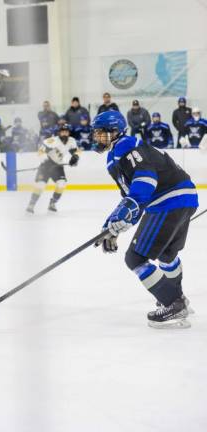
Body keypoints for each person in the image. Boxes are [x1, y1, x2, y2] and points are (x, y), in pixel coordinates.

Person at [91, 110, 198, 328]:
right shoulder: (121, 151)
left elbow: (144, 182)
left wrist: (121, 217)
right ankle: (177, 298)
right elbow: (131, 201)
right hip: (184, 198)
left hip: (167, 201)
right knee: (167, 255)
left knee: (135, 258)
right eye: (96, 134)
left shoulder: (126, 147)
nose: (98, 138)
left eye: (102, 134)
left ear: (116, 132)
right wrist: (111, 227)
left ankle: (174, 304)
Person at [26, 124, 79, 213]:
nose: (65, 134)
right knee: (40, 185)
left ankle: (52, 203)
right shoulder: (52, 141)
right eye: (63, 132)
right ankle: (31, 204)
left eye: (66, 132)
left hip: (58, 167)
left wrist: (75, 158)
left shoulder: (71, 141)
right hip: (45, 166)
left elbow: (76, 152)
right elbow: (40, 151)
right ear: (59, 133)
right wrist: (45, 160)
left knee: (62, 184)